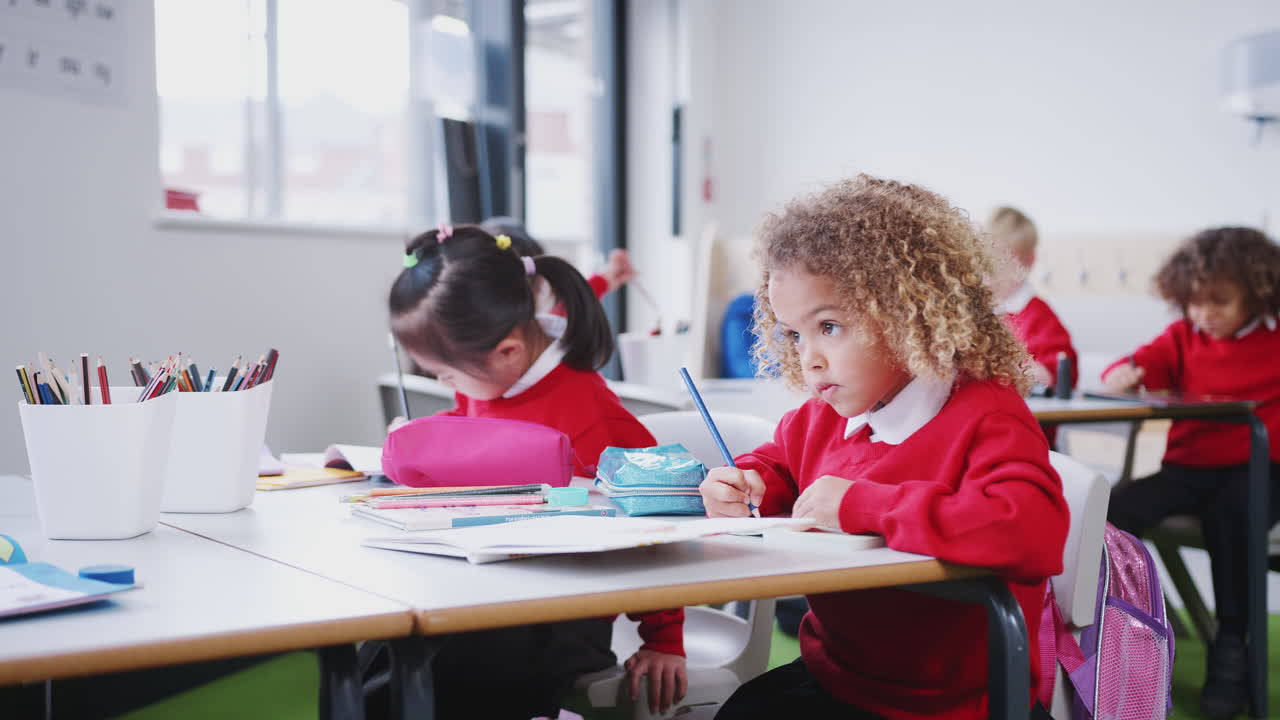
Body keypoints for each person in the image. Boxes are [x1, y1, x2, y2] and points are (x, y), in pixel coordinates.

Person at [699, 175, 1068, 720]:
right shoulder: (823, 415)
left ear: (907, 311)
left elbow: (1031, 532)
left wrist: (860, 506)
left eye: (830, 326)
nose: (809, 359)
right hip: (841, 677)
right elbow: (781, 464)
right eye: (795, 335)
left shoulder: (984, 412)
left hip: (951, 705)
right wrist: (750, 483)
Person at [386, 223, 686, 717]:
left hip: (560, 611)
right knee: (386, 656)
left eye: (444, 374)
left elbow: (658, 519)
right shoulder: (492, 372)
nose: (445, 384)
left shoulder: (591, 422)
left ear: (506, 352)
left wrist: (665, 638)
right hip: (488, 582)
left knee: (445, 677)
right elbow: (475, 430)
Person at [1101, 226, 1280, 719]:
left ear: (1257, 294)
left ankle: (1230, 645)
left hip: (1259, 470)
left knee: (1234, 514)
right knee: (1110, 510)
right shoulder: (1185, 336)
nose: (1205, 315)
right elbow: (1135, 364)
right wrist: (1126, 372)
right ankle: (1114, 629)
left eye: (1219, 303)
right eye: (1194, 304)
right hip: (1188, 469)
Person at [987, 206, 1078, 392]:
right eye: (989, 260)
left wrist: (1041, 374)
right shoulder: (971, 311)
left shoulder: (1038, 315)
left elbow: (1062, 372)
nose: (996, 271)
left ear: (1029, 261)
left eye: (1005, 261)